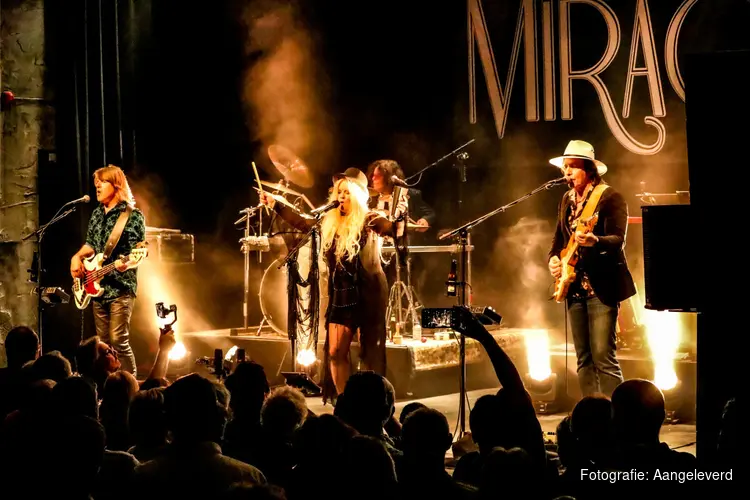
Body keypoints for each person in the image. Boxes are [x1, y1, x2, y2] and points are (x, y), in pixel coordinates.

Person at [259, 168, 395, 403]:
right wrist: (276, 204)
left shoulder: (369, 218)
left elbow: (389, 227)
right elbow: (303, 222)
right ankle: (344, 403)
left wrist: (386, 223)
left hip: (369, 292)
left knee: (369, 354)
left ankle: (373, 404)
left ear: (357, 195)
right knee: (334, 352)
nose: (341, 197)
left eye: (347, 192)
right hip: (342, 293)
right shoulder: (328, 220)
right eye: (338, 192)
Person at [547, 140, 636, 398]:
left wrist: (595, 241)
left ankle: (618, 416)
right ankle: (591, 417)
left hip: (601, 288)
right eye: (565, 167)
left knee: (603, 357)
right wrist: (554, 259)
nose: (567, 172)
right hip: (573, 286)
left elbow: (618, 240)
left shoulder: (609, 197)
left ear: (589, 169)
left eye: (573, 167)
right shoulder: (566, 198)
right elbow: (558, 240)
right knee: (583, 357)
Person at [71, 165, 146, 376]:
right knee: (103, 346)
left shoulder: (133, 215)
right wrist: (76, 258)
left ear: (116, 185)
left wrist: (127, 263)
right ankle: (107, 389)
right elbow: (90, 246)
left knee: (118, 341)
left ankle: (130, 387)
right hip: (97, 287)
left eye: (102, 183)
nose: (97, 187)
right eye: (96, 184)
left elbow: (137, 253)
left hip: (121, 288)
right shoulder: (96, 213)